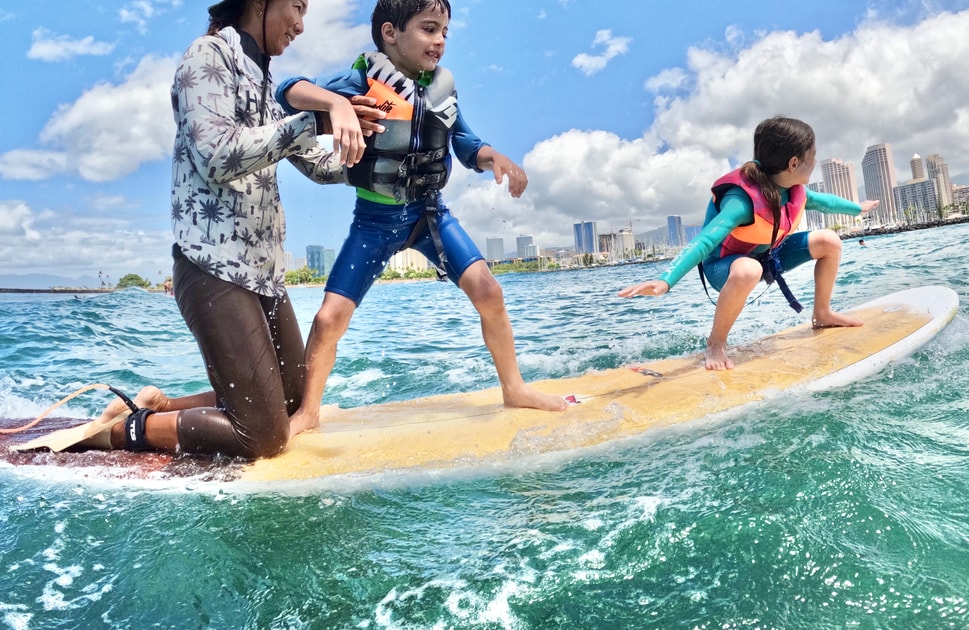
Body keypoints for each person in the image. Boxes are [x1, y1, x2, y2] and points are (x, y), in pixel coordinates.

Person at [85, 0, 384, 458]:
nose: (301, 25)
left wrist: (374, 161)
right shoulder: (206, 56)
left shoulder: (264, 83)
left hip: (262, 273)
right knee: (264, 437)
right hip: (211, 267)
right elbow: (218, 155)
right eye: (297, 7)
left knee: (291, 401)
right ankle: (121, 432)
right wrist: (316, 119)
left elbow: (318, 166)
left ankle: (160, 406)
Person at [276, 0, 565, 437]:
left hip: (431, 215)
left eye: (445, 32)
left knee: (489, 292)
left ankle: (514, 388)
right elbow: (288, 89)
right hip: (374, 221)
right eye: (429, 29)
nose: (440, 41)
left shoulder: (442, 90)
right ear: (391, 33)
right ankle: (310, 411)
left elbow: (467, 146)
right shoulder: (360, 78)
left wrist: (495, 159)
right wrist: (336, 104)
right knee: (328, 319)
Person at [618, 116, 879, 371]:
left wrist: (858, 208)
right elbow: (705, 240)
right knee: (748, 270)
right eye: (812, 155)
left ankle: (822, 314)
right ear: (793, 162)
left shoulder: (792, 189)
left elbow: (826, 202)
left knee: (829, 240)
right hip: (726, 266)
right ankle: (716, 343)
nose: (815, 161)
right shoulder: (741, 201)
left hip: (768, 256)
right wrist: (667, 280)